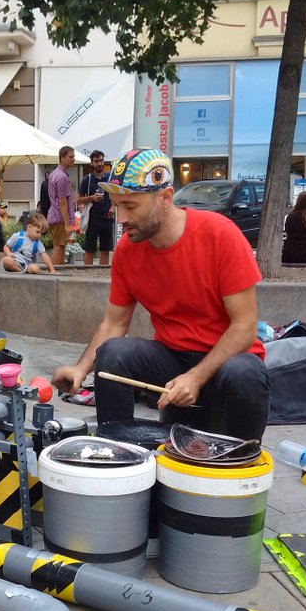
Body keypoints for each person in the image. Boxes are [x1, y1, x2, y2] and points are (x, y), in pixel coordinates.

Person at [51, 148, 270, 442]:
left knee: (246, 373)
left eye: (130, 205)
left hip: (227, 361)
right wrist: (80, 370)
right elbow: (114, 323)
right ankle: (118, 451)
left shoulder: (221, 235)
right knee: (114, 353)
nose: (121, 218)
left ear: (165, 198)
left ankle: (239, 460)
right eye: (117, 205)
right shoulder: (128, 251)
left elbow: (244, 327)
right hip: (172, 358)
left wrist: (195, 377)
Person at [76, 150, 114, 266]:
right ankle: (87, 274)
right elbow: (78, 200)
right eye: (96, 161)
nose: (99, 163)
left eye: (101, 160)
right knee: (89, 250)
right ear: (91, 163)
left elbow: (116, 195)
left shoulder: (109, 178)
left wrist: (113, 207)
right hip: (93, 218)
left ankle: (101, 275)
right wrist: (92, 198)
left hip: (107, 218)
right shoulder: (87, 179)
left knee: (105, 250)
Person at [47, 146, 77, 266]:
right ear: (62, 157)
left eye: (73, 156)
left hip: (54, 215)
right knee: (59, 247)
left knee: (59, 246)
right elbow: (62, 202)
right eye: (71, 157)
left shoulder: (55, 174)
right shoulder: (62, 177)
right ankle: (55, 272)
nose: (73, 159)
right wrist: (67, 224)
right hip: (59, 217)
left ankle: (56, 271)